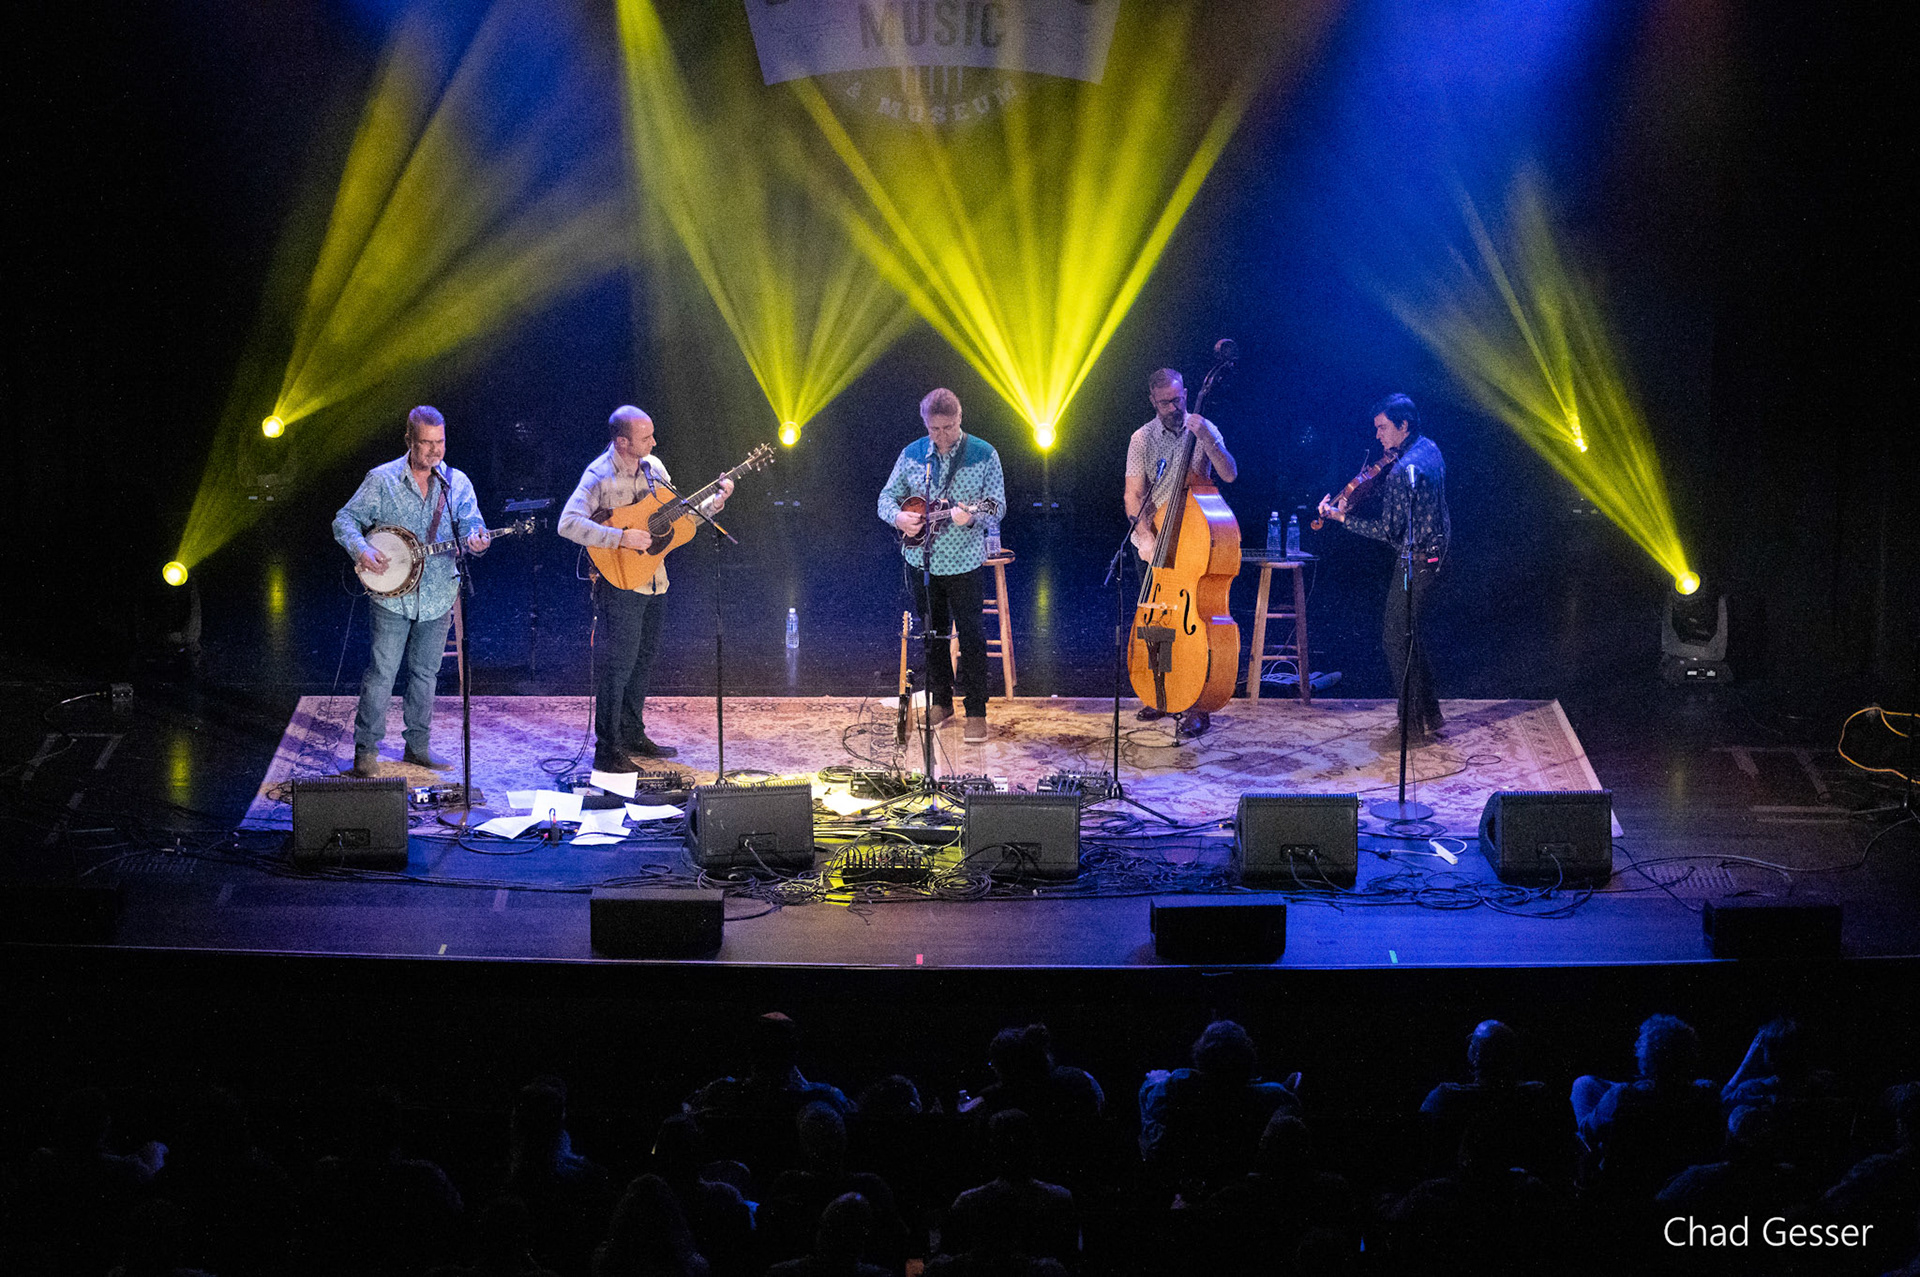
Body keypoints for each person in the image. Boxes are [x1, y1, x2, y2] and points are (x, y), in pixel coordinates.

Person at [558, 405, 730, 772]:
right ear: (622, 442)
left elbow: (679, 518)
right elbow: (567, 524)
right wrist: (620, 537)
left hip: (655, 580)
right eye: (646, 437)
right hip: (619, 582)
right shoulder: (598, 476)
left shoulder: (655, 469)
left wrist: (714, 503)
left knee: (642, 661)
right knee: (618, 665)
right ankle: (607, 750)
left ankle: (633, 734)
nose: (654, 442)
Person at [334, 405, 491, 776]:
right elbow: (344, 520)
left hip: (438, 594)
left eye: (440, 442)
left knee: (425, 674)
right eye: (426, 443)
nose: (435, 450)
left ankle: (417, 747)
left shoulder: (456, 482)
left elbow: (472, 525)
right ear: (409, 440)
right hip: (392, 596)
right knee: (382, 674)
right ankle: (366, 752)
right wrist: (362, 549)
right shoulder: (382, 479)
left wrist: (477, 541)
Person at [1317, 393, 1449, 746]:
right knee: (1410, 635)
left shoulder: (1402, 472)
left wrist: (1342, 517)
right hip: (1439, 553)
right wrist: (1367, 495)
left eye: (1383, 428)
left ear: (1403, 426)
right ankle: (1431, 714)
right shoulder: (1429, 449)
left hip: (1415, 560)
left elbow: (1387, 531)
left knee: (1395, 640)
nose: (1377, 436)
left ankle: (1410, 725)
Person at [877, 388, 1007, 744]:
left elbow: (997, 505)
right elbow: (886, 497)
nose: (942, 436)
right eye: (934, 429)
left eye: (948, 428)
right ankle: (941, 702)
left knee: (971, 635)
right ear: (925, 424)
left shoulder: (983, 453)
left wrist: (973, 514)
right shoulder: (913, 454)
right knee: (932, 634)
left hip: (964, 561)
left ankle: (976, 711)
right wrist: (898, 517)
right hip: (922, 561)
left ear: (960, 418)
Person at [1124, 367, 1238, 738]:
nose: (1173, 408)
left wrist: (1207, 437)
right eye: (1165, 403)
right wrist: (1145, 536)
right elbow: (1133, 494)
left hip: (1193, 535)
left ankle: (1196, 703)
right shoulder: (1142, 438)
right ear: (1152, 402)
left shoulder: (1204, 427)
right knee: (1157, 622)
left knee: (1194, 621)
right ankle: (1161, 694)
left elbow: (1229, 473)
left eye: (1177, 400)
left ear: (1186, 393)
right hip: (1156, 537)